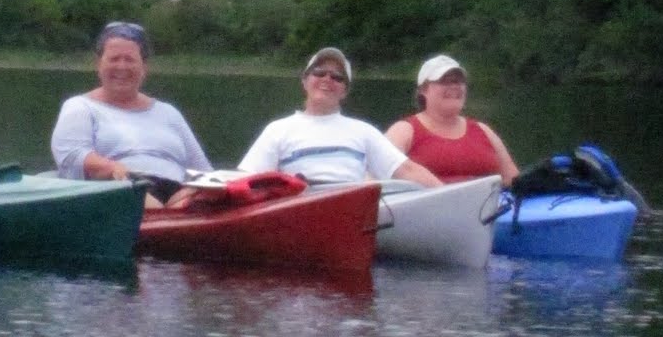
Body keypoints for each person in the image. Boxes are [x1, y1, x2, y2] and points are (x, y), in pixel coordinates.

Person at [51, 20, 211, 206]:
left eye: (130, 60)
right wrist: (113, 168)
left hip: (177, 194)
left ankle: (177, 215)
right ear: (98, 64)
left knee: (212, 195)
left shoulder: (169, 113)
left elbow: (203, 170)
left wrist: (194, 191)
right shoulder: (80, 107)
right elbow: (72, 156)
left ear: (144, 67)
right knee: (138, 197)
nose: (122, 67)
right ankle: (164, 216)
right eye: (114, 59)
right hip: (119, 188)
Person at [238, 46, 440, 187]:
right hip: (297, 211)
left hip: (350, 211)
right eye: (319, 73)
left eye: (337, 77)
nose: (327, 79)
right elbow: (245, 178)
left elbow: (407, 171)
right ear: (305, 80)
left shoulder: (363, 131)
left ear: (345, 91)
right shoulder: (278, 129)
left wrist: (452, 195)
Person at [384, 53, 519, 185]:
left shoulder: (483, 130)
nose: (454, 86)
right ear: (423, 90)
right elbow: (375, 174)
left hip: (488, 205)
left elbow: (514, 181)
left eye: (458, 81)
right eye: (444, 81)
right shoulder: (404, 130)